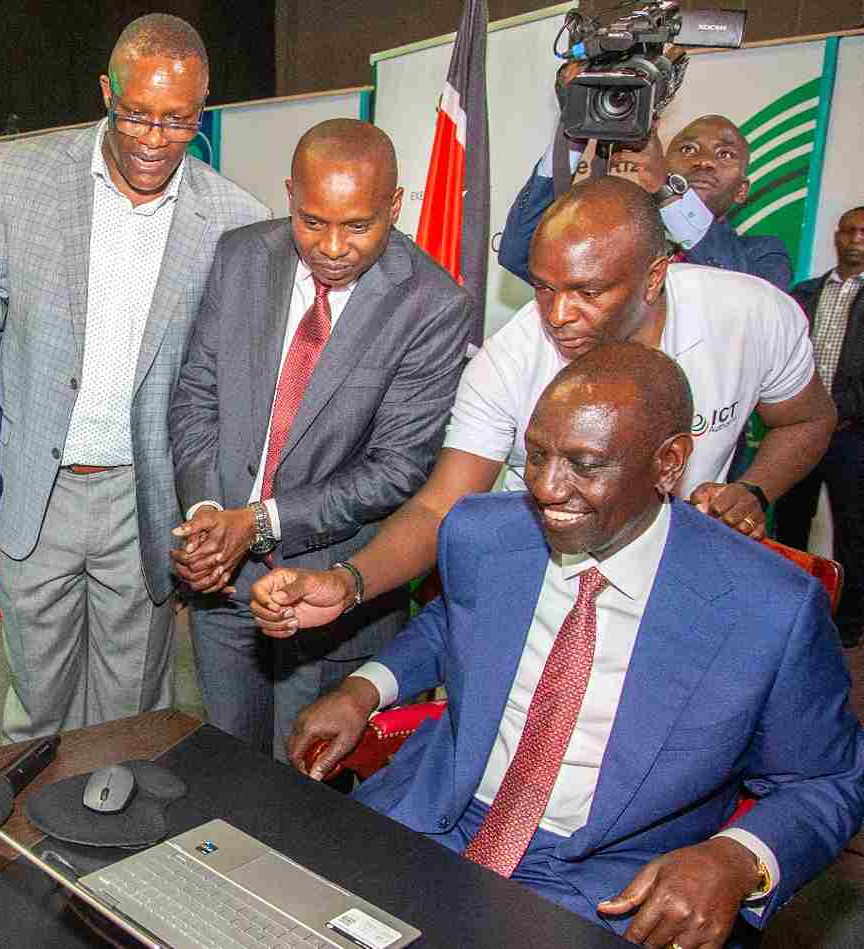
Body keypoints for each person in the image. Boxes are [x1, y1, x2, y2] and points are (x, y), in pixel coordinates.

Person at [291, 344, 864, 946]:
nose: (545, 488)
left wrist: (736, 859)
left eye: (584, 465)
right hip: (436, 815)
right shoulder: (483, 532)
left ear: (669, 463)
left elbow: (829, 779)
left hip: (616, 881)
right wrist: (364, 687)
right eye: (536, 455)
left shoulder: (768, 606)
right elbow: (451, 624)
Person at [251, 177, 836, 637]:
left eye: (588, 291)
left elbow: (809, 420)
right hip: (545, 593)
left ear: (654, 276)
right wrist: (348, 582)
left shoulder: (750, 316)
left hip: (684, 586)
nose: (558, 315)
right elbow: (438, 508)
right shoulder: (509, 361)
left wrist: (754, 490)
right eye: (545, 287)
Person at [0, 13, 268, 741]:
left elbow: (224, 395)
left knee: (130, 718)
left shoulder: (236, 220)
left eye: (177, 122)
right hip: (32, 494)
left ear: (202, 110)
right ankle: (32, 848)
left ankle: (110, 846)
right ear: (106, 90)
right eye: (135, 113)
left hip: (143, 502)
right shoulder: (18, 181)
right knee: (35, 712)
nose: (151, 138)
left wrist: (202, 512)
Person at [167, 120, 471, 759]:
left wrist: (261, 522)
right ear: (288, 196)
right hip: (222, 584)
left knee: (307, 802)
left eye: (358, 225)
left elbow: (396, 469)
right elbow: (196, 393)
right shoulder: (242, 256)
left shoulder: (433, 305)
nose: (332, 246)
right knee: (226, 767)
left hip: (331, 594)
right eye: (312, 222)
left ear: (394, 206)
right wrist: (206, 517)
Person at [499, 66, 790, 291]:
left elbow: (746, 301)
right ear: (666, 159)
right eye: (688, 149)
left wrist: (666, 189)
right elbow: (519, 254)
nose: (704, 161)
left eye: (725, 154)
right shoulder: (621, 240)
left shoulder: (764, 255)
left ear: (742, 190)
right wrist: (574, 133)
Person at [775, 206, 864, 647]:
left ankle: (846, 628)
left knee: (854, 531)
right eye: (848, 230)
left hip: (852, 435)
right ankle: (786, 613)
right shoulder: (805, 292)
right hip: (798, 431)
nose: (854, 238)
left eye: (863, 232)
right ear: (836, 236)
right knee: (789, 524)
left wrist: (835, 410)